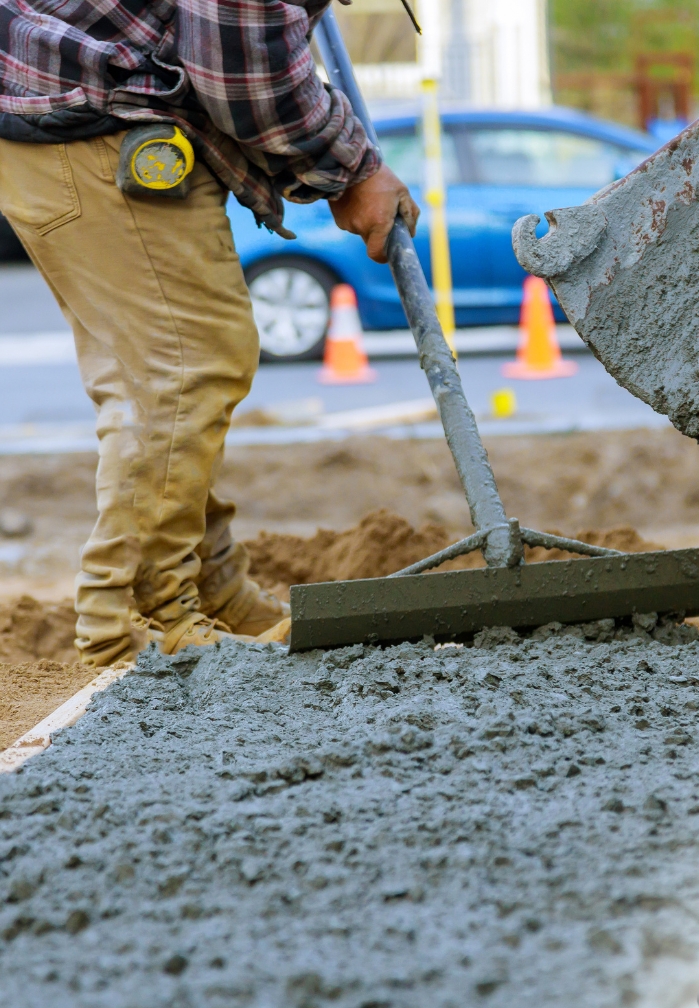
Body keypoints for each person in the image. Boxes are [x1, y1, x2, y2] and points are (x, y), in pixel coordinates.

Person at [0, 0, 420, 666]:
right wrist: (352, 166)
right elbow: (243, 72)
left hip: (78, 115)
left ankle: (207, 588)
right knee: (182, 372)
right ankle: (142, 624)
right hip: (94, 123)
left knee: (170, 376)